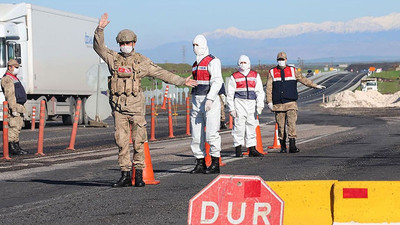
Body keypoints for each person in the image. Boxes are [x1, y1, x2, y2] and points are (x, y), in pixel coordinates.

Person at [93, 13, 197, 188]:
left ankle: (139, 174)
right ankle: (125, 175)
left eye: (128, 43)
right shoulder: (114, 59)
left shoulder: (142, 62)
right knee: (121, 142)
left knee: (139, 142)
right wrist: (100, 29)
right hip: (119, 109)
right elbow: (98, 47)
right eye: (122, 43)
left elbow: (162, 73)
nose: (125, 46)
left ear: (134, 43)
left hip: (136, 108)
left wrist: (182, 81)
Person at [266, 52, 326, 153]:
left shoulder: (292, 70)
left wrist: (315, 85)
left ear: (286, 60)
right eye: (279, 60)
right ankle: (283, 146)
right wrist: (269, 102)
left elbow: (303, 80)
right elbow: (269, 88)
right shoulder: (272, 72)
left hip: (291, 103)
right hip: (278, 104)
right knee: (280, 126)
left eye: (282, 59)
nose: (281, 61)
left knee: (291, 124)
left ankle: (292, 145)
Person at [190, 34, 223, 174]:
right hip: (196, 100)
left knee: (211, 133)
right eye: (193, 45)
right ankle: (200, 161)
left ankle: (215, 162)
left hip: (209, 101)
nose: (194, 48)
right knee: (196, 134)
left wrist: (210, 98)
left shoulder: (213, 61)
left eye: (197, 45)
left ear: (203, 45)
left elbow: (217, 81)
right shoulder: (195, 64)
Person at [227, 55, 264, 157]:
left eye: (245, 62)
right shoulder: (234, 76)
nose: (243, 64)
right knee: (239, 127)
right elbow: (230, 94)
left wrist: (260, 105)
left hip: (251, 103)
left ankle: (252, 148)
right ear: (238, 63)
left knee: (251, 125)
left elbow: (260, 91)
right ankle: (238, 149)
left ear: (249, 63)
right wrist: (232, 108)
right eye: (241, 62)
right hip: (239, 102)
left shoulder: (255, 75)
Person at [1, 59, 27, 155]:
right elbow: (10, 95)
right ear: (10, 67)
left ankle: (16, 146)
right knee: (13, 127)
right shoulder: (7, 79)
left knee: (18, 126)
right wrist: (13, 108)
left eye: (18, 67)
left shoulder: (14, 78)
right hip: (14, 106)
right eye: (15, 67)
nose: (17, 69)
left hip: (19, 105)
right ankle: (12, 147)